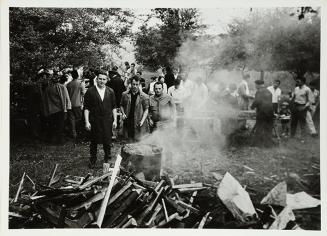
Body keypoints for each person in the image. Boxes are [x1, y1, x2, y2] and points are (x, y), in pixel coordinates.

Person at [84, 69, 117, 168]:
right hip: (95, 121)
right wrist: (87, 121)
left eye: (104, 79)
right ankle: (93, 159)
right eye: (100, 79)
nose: (102, 81)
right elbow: (86, 108)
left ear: (107, 80)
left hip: (107, 121)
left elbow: (114, 107)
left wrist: (115, 120)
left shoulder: (110, 91)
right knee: (93, 142)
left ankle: (107, 158)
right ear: (96, 79)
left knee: (107, 141)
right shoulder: (90, 91)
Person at [43, 73, 72, 144]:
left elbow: (45, 100)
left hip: (51, 110)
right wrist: (68, 108)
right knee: (60, 126)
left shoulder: (48, 88)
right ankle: (59, 140)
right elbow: (66, 98)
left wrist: (46, 110)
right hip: (60, 109)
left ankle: (52, 140)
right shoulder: (62, 87)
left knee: (52, 125)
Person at [120, 76, 149, 141]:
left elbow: (146, 109)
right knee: (128, 139)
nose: (135, 86)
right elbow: (121, 105)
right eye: (133, 84)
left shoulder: (144, 96)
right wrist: (123, 113)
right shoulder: (125, 94)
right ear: (130, 84)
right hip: (128, 120)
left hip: (138, 121)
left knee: (138, 140)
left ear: (139, 85)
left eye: (137, 84)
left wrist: (142, 121)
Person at [251, 80, 274, 147]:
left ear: (258, 85)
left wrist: (252, 107)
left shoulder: (259, 91)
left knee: (259, 128)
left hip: (262, 113)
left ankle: (256, 145)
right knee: (268, 129)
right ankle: (268, 145)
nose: (255, 86)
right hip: (270, 112)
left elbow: (256, 101)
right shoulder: (268, 91)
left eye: (255, 85)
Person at [66, 69, 86, 140]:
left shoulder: (68, 84)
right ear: (77, 75)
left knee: (72, 119)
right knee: (79, 119)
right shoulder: (80, 83)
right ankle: (79, 133)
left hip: (70, 104)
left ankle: (73, 134)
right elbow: (84, 94)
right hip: (78, 104)